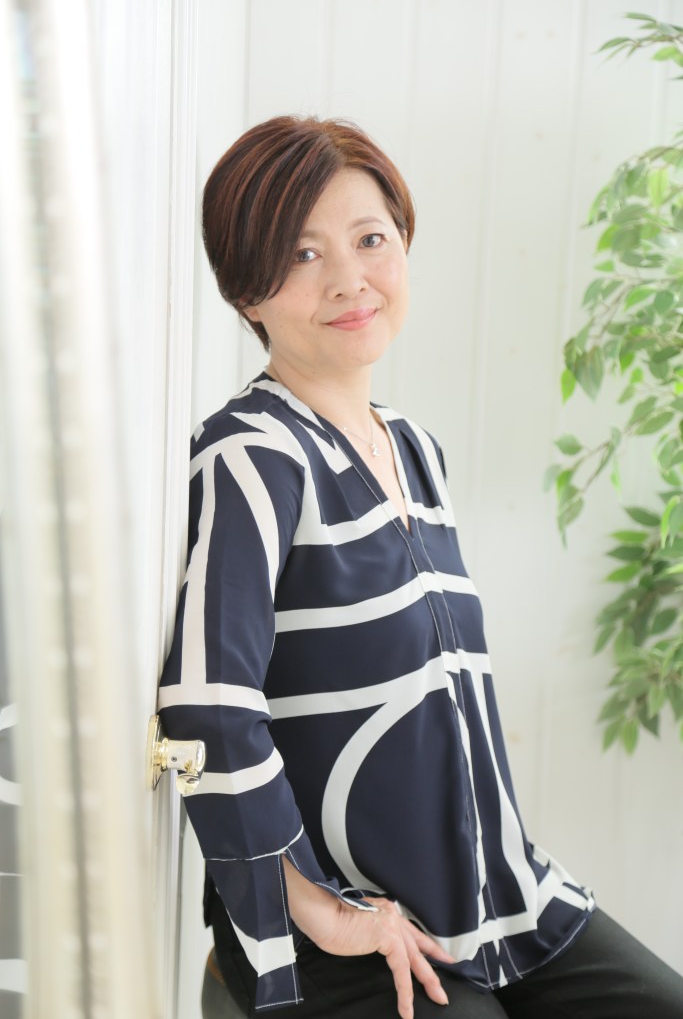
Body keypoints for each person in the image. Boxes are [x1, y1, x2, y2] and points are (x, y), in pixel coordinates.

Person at [158, 116, 683, 1019]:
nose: (348, 279)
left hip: (497, 899)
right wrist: (319, 909)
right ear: (246, 290)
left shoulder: (413, 449)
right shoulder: (253, 454)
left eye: (370, 240)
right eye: (302, 254)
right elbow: (207, 707)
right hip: (350, 924)